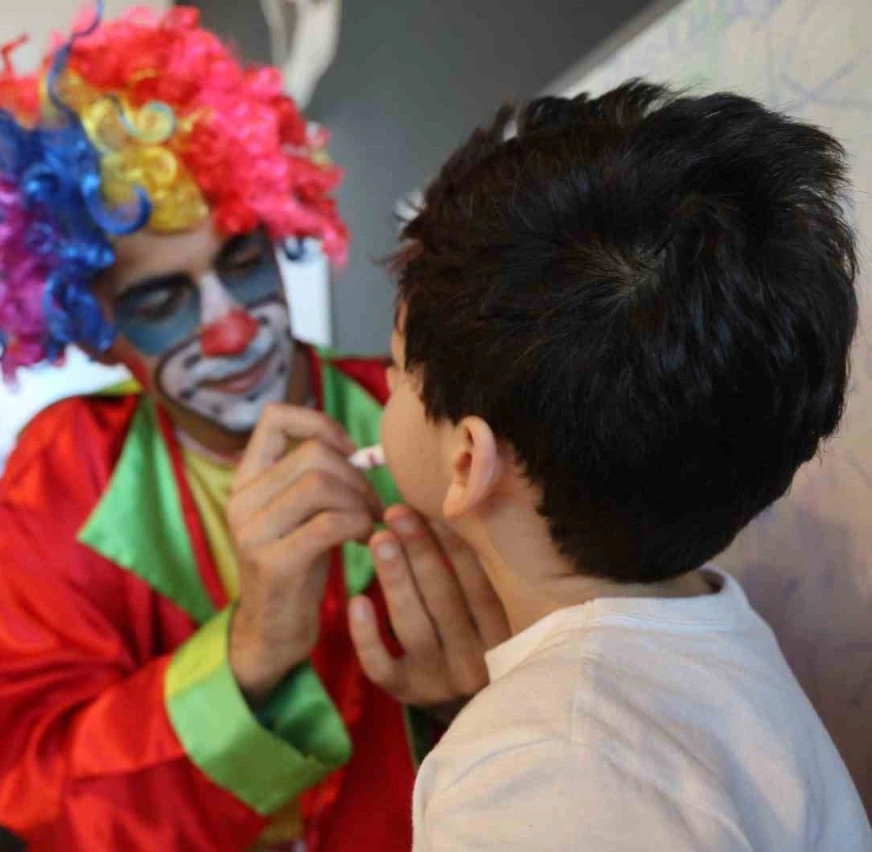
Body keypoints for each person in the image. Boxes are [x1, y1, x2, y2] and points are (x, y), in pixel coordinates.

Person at [240, 81, 869, 850]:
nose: (381, 383)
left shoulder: (538, 767)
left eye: (398, 369)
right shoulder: (712, 633)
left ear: (467, 460)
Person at [0, 6, 504, 850]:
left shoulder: (422, 409)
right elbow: (43, 792)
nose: (232, 328)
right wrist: (250, 648)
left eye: (242, 260)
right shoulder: (63, 470)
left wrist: (472, 710)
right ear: (97, 331)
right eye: (160, 300)